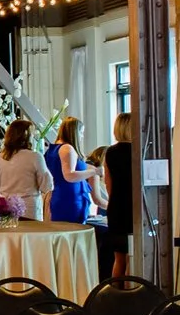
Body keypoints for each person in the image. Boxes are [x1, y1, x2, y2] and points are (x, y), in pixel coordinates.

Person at [47, 115, 102, 225]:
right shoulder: (67, 148)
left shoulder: (53, 149)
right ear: (74, 132)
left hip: (60, 196)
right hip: (70, 199)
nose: (81, 136)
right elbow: (69, 175)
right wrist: (95, 172)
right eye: (81, 132)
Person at [101, 113, 136, 277]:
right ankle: (132, 294)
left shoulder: (110, 152)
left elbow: (108, 184)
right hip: (135, 207)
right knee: (133, 257)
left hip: (117, 207)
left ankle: (116, 295)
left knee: (119, 258)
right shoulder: (139, 150)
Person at [0, 118, 51, 215]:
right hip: (28, 206)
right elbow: (46, 185)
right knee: (28, 230)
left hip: (2, 204)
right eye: (32, 135)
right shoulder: (35, 157)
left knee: (5, 230)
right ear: (27, 137)